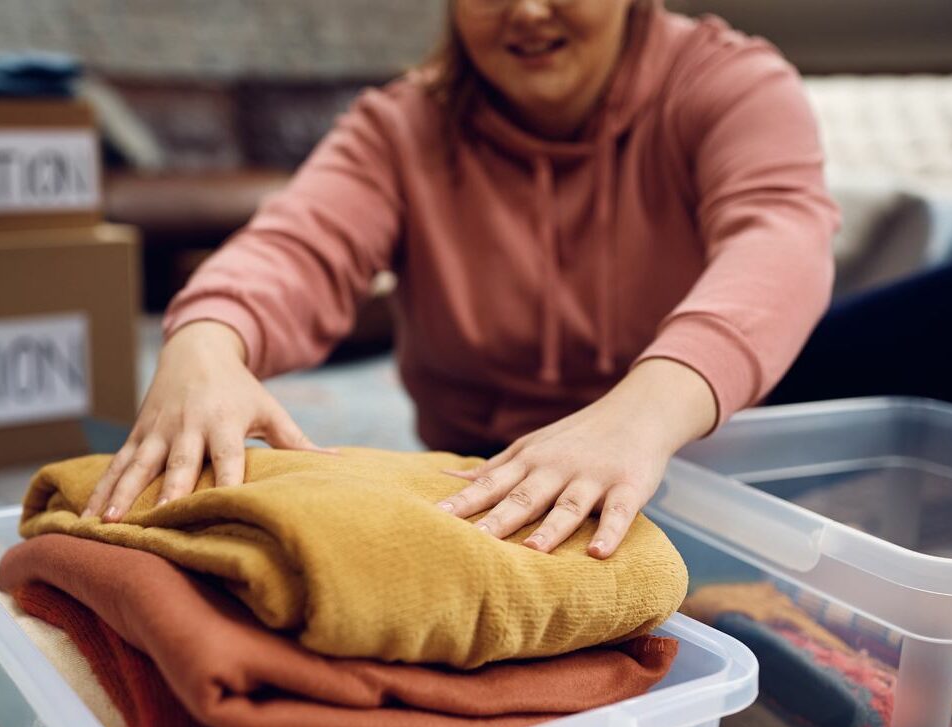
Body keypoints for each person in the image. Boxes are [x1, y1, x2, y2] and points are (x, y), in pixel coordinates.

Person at [84, 0, 840, 558]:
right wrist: (207, 341)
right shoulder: (400, 126)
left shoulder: (729, 82)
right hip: (486, 466)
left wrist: (641, 413)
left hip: (700, 454)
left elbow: (781, 236)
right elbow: (297, 244)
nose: (527, 11)